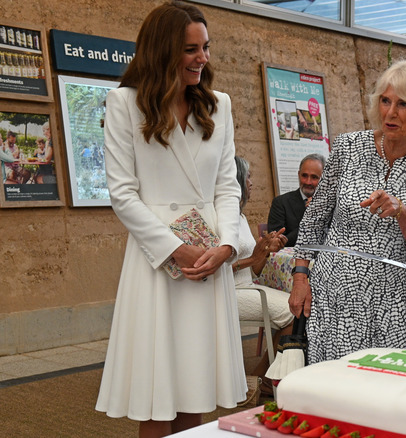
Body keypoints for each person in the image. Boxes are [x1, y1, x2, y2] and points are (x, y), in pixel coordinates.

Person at [95, 3, 246, 436]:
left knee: (197, 387)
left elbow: (228, 187)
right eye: (190, 49)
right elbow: (123, 194)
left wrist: (226, 247)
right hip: (159, 261)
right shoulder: (125, 103)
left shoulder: (220, 106)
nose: (203, 58)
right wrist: (175, 249)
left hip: (209, 260)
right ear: (162, 52)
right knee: (159, 397)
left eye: (206, 47)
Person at [288, 60, 406, 364]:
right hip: (337, 294)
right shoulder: (348, 147)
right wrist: (300, 278)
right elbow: (314, 219)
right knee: (336, 386)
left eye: (403, 104)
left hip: (397, 298)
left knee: (390, 389)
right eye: (385, 101)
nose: (390, 112)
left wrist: (400, 211)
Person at [231, 156, 293, 384]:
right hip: (230, 292)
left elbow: (254, 270)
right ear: (235, 180)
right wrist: (254, 257)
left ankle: (263, 373)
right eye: (247, 177)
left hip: (247, 286)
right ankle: (266, 378)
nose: (251, 183)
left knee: (297, 303)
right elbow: (215, 270)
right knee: (293, 311)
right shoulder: (221, 218)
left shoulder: (240, 216)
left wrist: (265, 249)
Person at [267, 154, 325, 247]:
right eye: (304, 176)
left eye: (314, 177)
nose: (308, 182)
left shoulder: (332, 205)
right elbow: (277, 243)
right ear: (298, 174)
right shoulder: (281, 203)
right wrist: (311, 218)